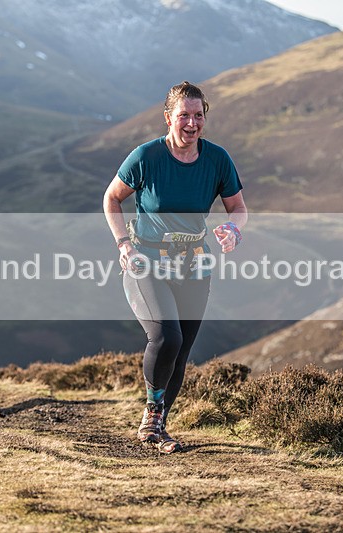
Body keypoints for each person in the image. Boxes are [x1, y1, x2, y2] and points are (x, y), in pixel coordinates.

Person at [103, 81, 247, 454]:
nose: (192, 123)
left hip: (194, 262)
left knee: (181, 352)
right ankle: (152, 415)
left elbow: (238, 208)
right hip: (145, 260)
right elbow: (112, 198)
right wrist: (123, 244)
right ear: (168, 118)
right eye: (184, 115)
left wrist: (233, 230)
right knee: (167, 337)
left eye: (198, 116)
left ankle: (159, 423)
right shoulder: (146, 157)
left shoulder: (217, 160)